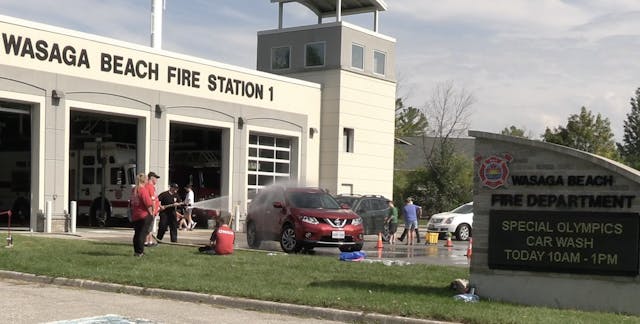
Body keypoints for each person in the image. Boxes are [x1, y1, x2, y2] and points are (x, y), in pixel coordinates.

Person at [130, 173, 153, 257]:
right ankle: (140, 252)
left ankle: (136, 251)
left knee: (137, 234)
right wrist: (151, 214)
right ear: (144, 180)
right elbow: (148, 203)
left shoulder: (134, 190)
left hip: (135, 215)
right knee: (142, 234)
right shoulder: (143, 190)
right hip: (143, 215)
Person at [145, 171, 161, 247]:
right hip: (151, 212)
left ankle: (149, 241)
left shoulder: (151, 187)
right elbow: (152, 200)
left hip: (153, 211)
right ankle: (147, 242)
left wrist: (159, 206)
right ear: (151, 178)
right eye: (156, 178)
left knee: (150, 228)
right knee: (149, 228)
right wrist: (154, 210)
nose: (157, 180)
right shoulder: (149, 186)